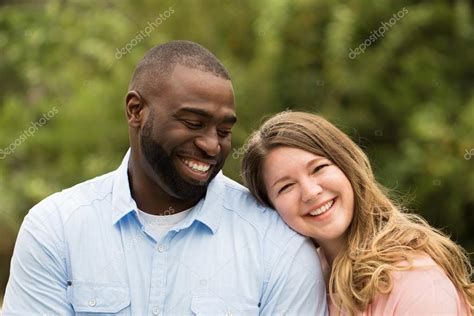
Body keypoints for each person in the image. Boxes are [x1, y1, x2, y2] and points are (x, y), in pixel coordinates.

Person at [3, 42, 327, 315]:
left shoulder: (279, 247)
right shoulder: (56, 228)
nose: (211, 144)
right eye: (192, 122)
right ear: (135, 110)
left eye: (224, 131)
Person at [241, 111, 473, 315]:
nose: (310, 193)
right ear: (271, 208)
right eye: (286, 187)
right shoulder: (299, 281)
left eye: (319, 168)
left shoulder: (414, 280)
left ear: (347, 165)